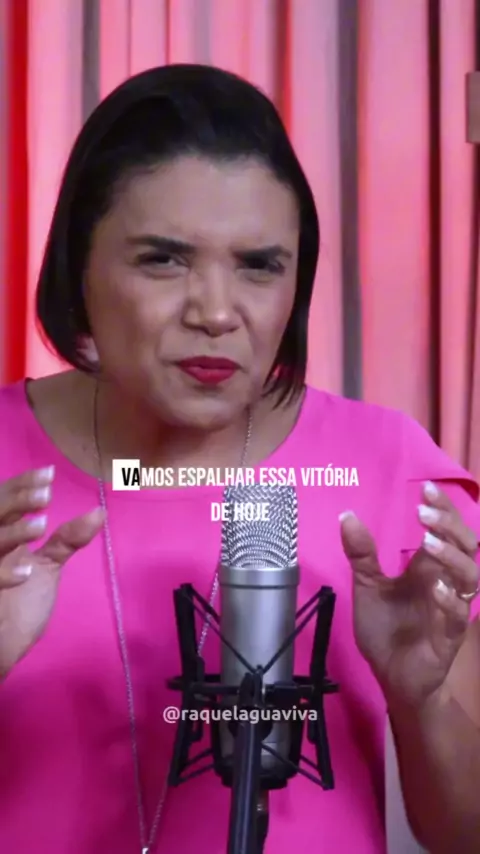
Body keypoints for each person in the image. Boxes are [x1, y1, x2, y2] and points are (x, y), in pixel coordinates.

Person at [0, 64, 479, 854]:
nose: (217, 312)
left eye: (259, 264)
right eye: (163, 259)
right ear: (78, 267)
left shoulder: (387, 467)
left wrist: (420, 702)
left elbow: (464, 834)